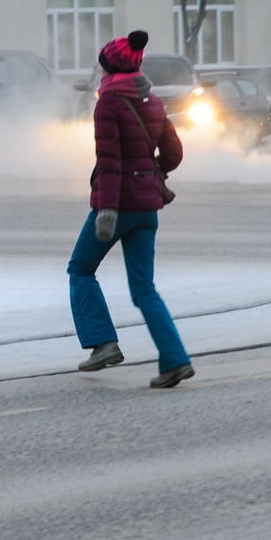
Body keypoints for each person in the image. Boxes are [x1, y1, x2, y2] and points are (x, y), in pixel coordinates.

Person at [67, 30, 195, 389]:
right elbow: (174, 153)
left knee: (80, 269)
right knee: (144, 290)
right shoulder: (151, 101)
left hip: (117, 206)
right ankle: (175, 360)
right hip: (147, 208)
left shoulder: (108, 103)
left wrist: (106, 210)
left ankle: (103, 343)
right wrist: (151, 174)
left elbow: (108, 161)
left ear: (110, 68)